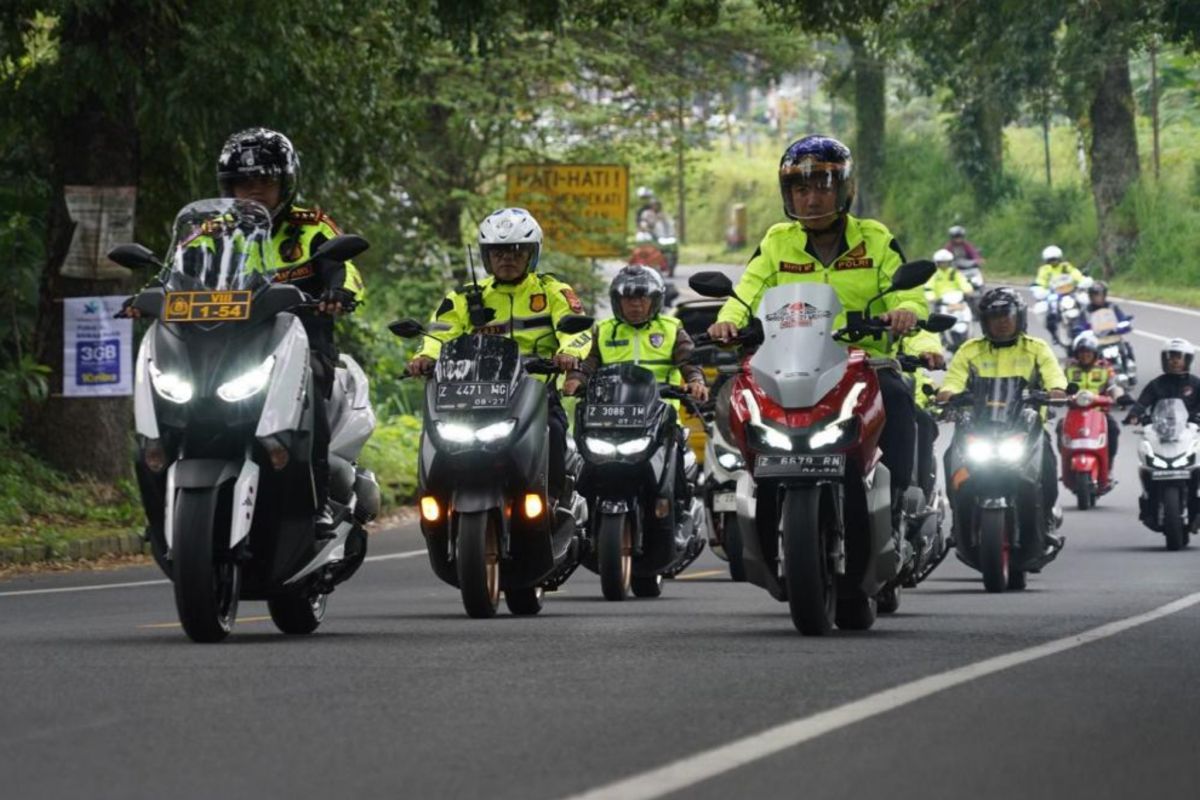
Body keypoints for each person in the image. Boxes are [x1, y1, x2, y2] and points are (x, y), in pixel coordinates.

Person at [123, 127, 363, 537]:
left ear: (285, 183)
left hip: (298, 341)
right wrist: (145, 297)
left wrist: (339, 293)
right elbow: (177, 271)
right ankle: (159, 511)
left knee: (313, 392)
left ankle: (319, 501)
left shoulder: (313, 228)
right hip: (221, 343)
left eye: (264, 181)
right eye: (242, 182)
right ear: (227, 187)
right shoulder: (212, 231)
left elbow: (347, 269)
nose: (254, 190)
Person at [707, 134, 926, 497]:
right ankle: (745, 490)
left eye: (822, 188)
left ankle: (901, 496)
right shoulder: (777, 241)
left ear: (844, 190)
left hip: (863, 366)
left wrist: (906, 312)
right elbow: (745, 295)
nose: (810, 199)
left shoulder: (875, 238)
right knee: (739, 401)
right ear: (787, 194)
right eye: (800, 189)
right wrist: (727, 320)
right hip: (789, 367)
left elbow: (909, 294)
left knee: (898, 397)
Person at [406, 207, 590, 504]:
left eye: (517, 252)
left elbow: (577, 330)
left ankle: (554, 501)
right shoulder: (464, 297)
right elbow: (440, 333)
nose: (507, 258)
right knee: (440, 436)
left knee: (554, 430)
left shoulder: (553, 290)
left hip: (534, 391)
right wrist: (425, 357)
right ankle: (439, 500)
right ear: (486, 256)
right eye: (499, 252)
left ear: (532, 255)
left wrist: (569, 352)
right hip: (472, 393)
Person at [563, 265, 708, 502]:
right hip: (609, 418)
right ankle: (583, 522)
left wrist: (695, 381)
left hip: (660, 419)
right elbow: (588, 362)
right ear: (617, 302)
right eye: (628, 299)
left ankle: (676, 518)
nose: (636, 305)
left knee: (674, 481)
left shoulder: (671, 329)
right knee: (584, 471)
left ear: (655, 300)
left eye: (642, 298)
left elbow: (689, 360)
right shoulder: (604, 330)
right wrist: (575, 379)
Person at [936, 288, 1068, 543]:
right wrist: (947, 395)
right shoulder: (969, 350)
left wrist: (1055, 391)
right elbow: (952, 382)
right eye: (995, 317)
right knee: (950, 458)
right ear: (985, 322)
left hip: (1024, 427)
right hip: (977, 428)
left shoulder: (1036, 348)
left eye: (1007, 316)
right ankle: (959, 523)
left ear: (1020, 318)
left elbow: (1055, 379)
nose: (1003, 322)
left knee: (1048, 464)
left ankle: (1047, 518)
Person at [1060, 331, 1122, 461]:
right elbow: (1058, 384)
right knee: (1060, 428)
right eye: (1081, 352)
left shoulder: (1105, 368)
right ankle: (1067, 461)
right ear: (1076, 354)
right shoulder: (1068, 368)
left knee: (1113, 430)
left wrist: (1120, 397)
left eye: (1088, 352)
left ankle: (1108, 465)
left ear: (1095, 354)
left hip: (1100, 414)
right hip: (1074, 413)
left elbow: (1113, 386)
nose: (1085, 355)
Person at [1125, 339, 1200, 425]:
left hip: (1190, 429)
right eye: (1171, 357)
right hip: (1159, 428)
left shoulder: (1196, 383)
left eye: (1179, 357)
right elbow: (1142, 403)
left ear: (1187, 360)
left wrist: (1195, 416)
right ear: (1165, 360)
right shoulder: (1156, 383)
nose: (1175, 362)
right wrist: (1134, 414)